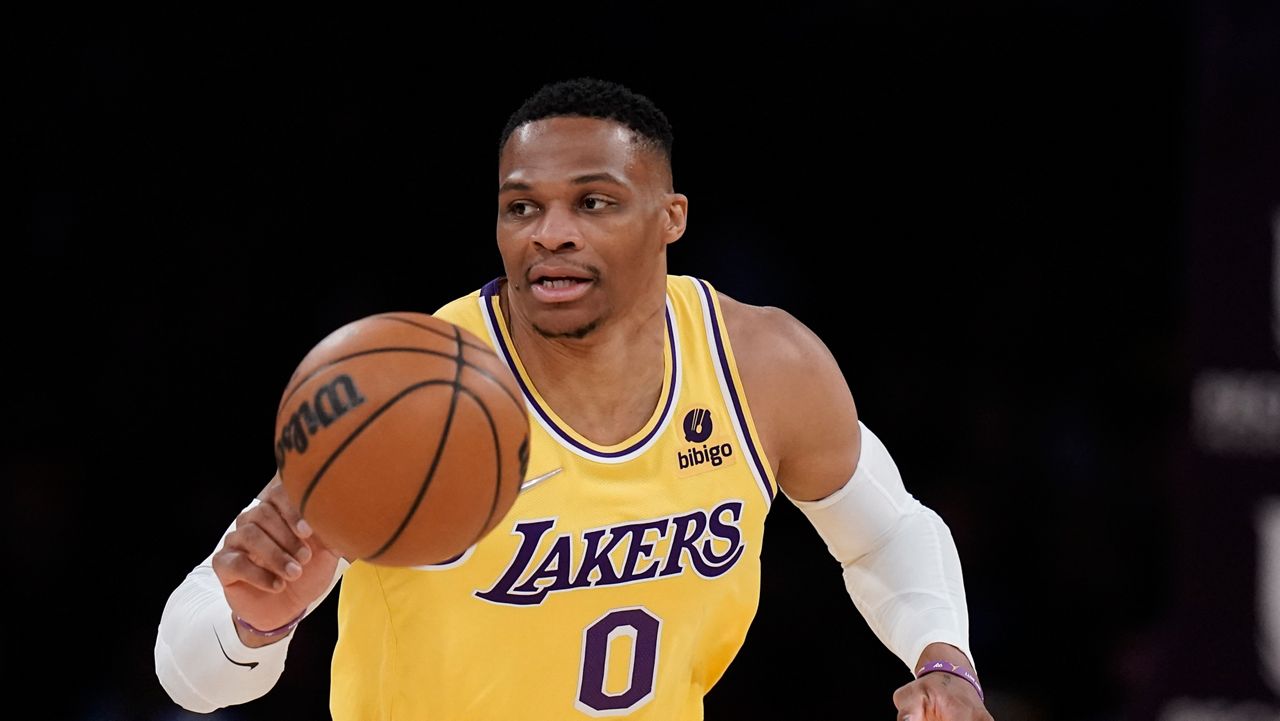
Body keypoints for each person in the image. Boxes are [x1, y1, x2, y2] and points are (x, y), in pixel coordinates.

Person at [155, 77, 993, 721]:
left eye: (593, 202)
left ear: (670, 217)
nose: (550, 231)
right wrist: (254, 626)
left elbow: (889, 530)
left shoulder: (760, 365)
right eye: (522, 206)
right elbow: (187, 670)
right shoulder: (409, 389)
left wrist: (943, 660)